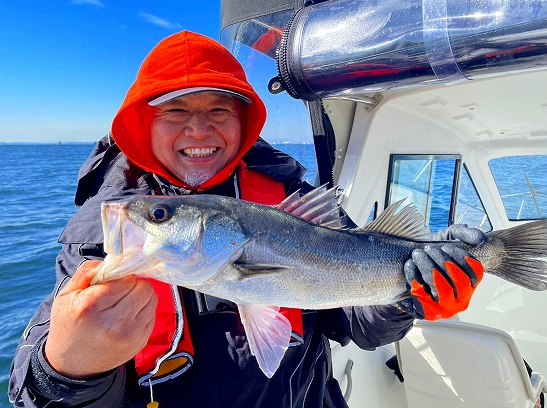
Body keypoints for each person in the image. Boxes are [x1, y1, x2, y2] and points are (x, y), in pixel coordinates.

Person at [8, 31, 485, 407]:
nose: (199, 128)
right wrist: (70, 364)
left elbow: (356, 323)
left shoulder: (293, 197)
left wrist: (409, 298)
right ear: (144, 125)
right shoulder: (107, 232)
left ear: (244, 122)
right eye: (175, 112)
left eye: (219, 109)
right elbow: (33, 392)